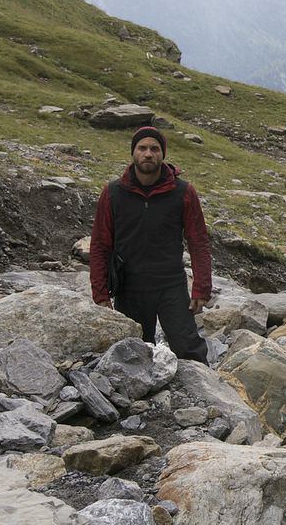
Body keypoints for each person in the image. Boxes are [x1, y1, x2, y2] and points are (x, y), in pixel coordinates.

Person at [89, 126, 211, 363]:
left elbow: (198, 241)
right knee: (134, 353)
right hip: (129, 286)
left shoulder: (183, 192)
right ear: (133, 153)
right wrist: (100, 293)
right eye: (142, 148)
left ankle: (204, 397)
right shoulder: (113, 192)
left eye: (154, 149)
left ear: (162, 154)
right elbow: (100, 245)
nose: (148, 154)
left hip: (171, 284)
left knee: (188, 349)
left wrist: (201, 288)